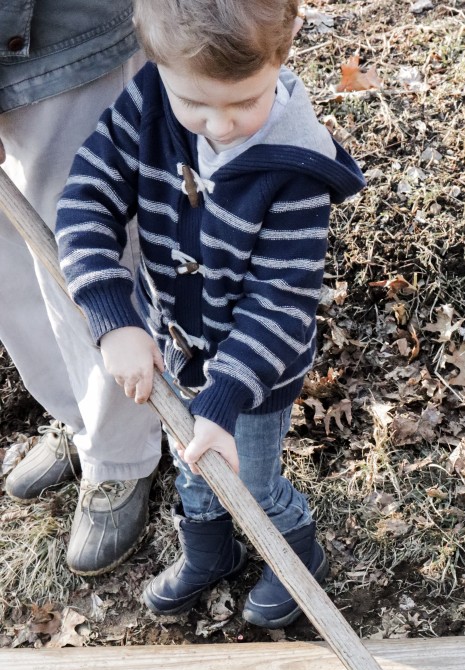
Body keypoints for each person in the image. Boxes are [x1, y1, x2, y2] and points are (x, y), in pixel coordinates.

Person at [56, 0, 365, 628]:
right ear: (154, 59)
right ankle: (211, 551)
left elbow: (278, 302)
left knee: (246, 475)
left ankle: (297, 556)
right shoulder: (149, 102)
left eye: (243, 104)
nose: (220, 127)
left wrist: (221, 401)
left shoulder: (294, 172)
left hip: (251, 377)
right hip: (173, 350)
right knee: (190, 463)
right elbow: (87, 195)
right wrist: (114, 316)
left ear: (285, 48)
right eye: (195, 105)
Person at [0, 1, 161, 575]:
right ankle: (77, 414)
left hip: (60, 28)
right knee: (10, 250)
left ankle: (119, 453)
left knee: (84, 231)